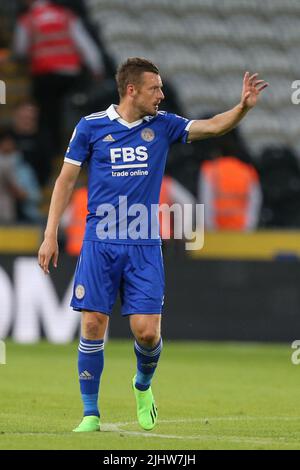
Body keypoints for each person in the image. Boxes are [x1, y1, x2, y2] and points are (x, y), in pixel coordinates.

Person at [38, 57, 268, 432]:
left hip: (144, 243)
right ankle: (90, 413)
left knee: (147, 332)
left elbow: (210, 128)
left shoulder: (164, 126)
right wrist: (50, 234)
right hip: (100, 241)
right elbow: (65, 181)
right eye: (155, 88)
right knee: (93, 323)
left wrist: (241, 108)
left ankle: (142, 384)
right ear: (132, 90)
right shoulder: (91, 127)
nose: (162, 95)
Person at [12, 0, 105, 172]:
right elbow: (84, 43)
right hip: (69, 75)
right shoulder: (66, 15)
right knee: (71, 112)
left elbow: (20, 48)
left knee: (46, 117)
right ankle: (77, 152)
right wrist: (96, 67)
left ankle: (53, 153)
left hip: (43, 76)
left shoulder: (28, 18)